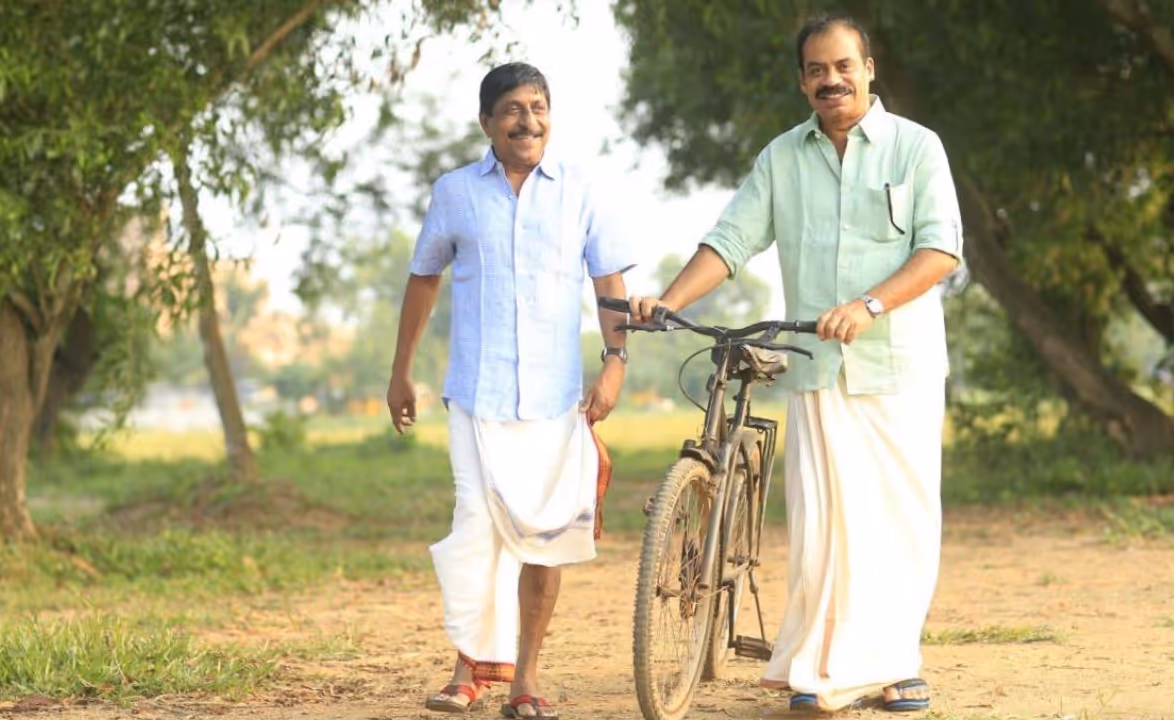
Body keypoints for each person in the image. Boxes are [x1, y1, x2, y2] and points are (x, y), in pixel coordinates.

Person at [630, 15, 962, 715]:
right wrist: (668, 301)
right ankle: (819, 667)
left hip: (897, 367)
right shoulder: (782, 157)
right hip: (815, 368)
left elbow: (940, 249)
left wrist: (869, 305)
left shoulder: (916, 148)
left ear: (868, 70)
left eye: (843, 66)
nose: (831, 80)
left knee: (899, 523)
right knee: (821, 529)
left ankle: (896, 666)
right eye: (816, 70)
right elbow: (730, 241)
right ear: (802, 81)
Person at [387, 62, 634, 719]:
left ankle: (526, 678)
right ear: (487, 123)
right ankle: (468, 670)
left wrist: (615, 363)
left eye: (538, 107)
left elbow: (609, 283)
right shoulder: (455, 193)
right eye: (513, 110)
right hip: (476, 395)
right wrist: (400, 370)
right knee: (476, 529)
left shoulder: (581, 191)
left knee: (545, 538)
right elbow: (424, 279)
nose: (528, 121)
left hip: (556, 401)